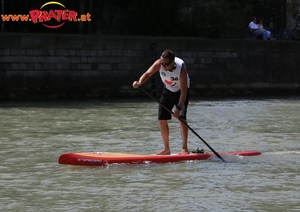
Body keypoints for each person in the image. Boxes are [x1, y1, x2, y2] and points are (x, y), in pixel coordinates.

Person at [132, 50, 190, 155]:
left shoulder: (181, 70)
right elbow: (147, 74)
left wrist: (178, 108)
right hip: (168, 89)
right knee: (162, 118)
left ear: (173, 62)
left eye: (166, 64)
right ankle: (166, 149)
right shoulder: (159, 63)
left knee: (181, 118)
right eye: (162, 63)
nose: (163, 66)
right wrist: (139, 82)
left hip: (181, 91)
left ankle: (184, 148)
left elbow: (184, 92)